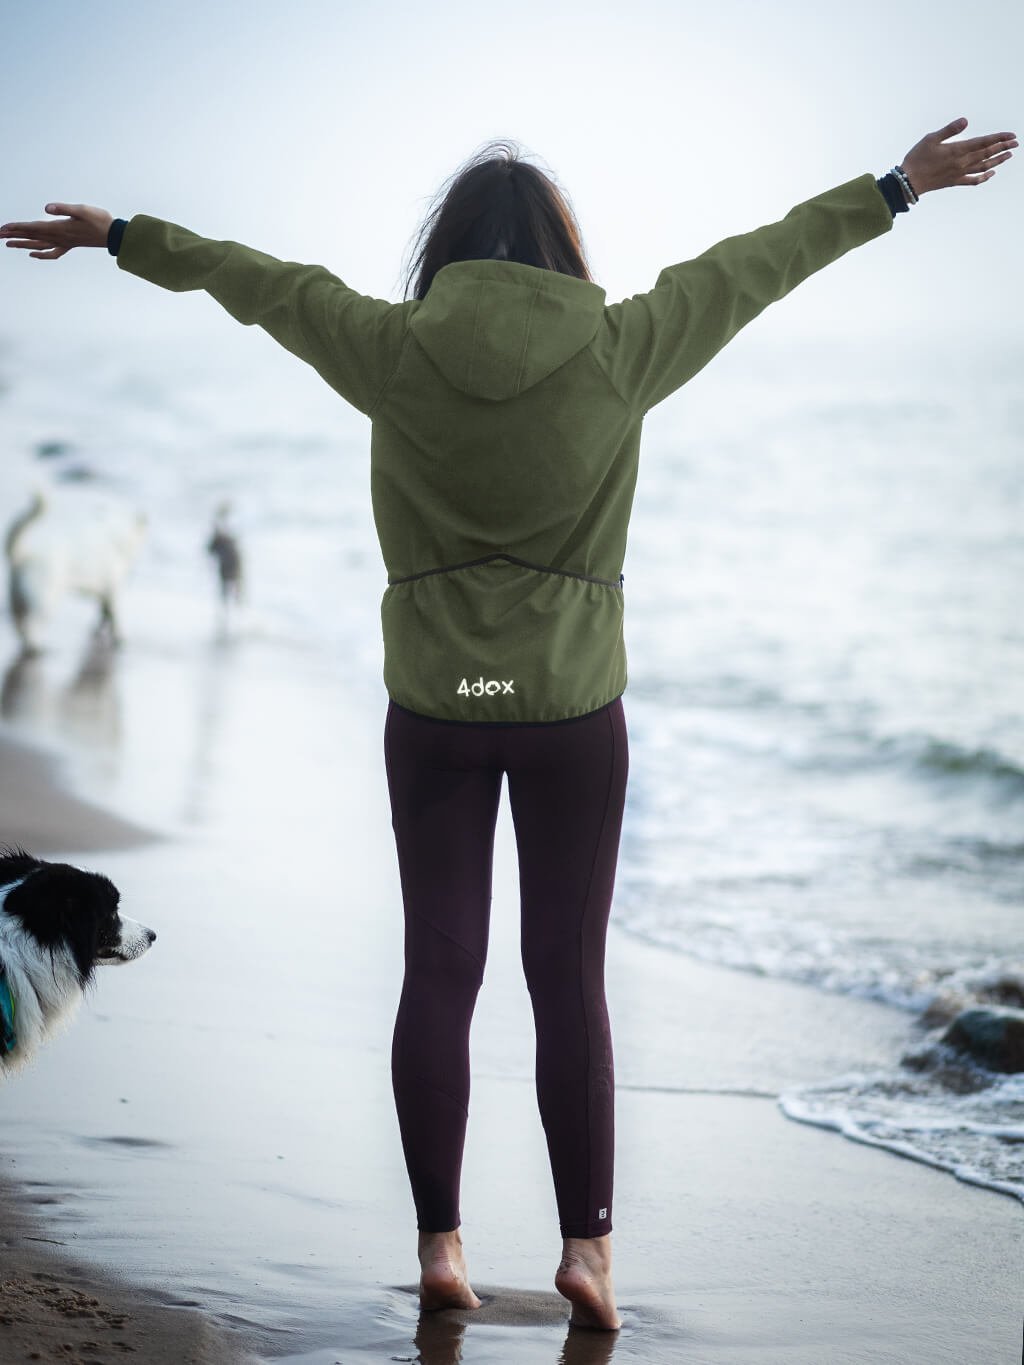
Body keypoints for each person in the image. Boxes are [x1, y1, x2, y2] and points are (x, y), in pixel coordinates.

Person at [1, 116, 1015, 1330]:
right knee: (564, 979)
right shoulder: (625, 341)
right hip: (572, 711)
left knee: (439, 971)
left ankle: (441, 1244)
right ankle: (586, 1256)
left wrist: (120, 235)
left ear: (446, 255)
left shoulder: (387, 344)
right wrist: (899, 185)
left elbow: (253, 282)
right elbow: (768, 258)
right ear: (560, 253)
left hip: (433, 706)